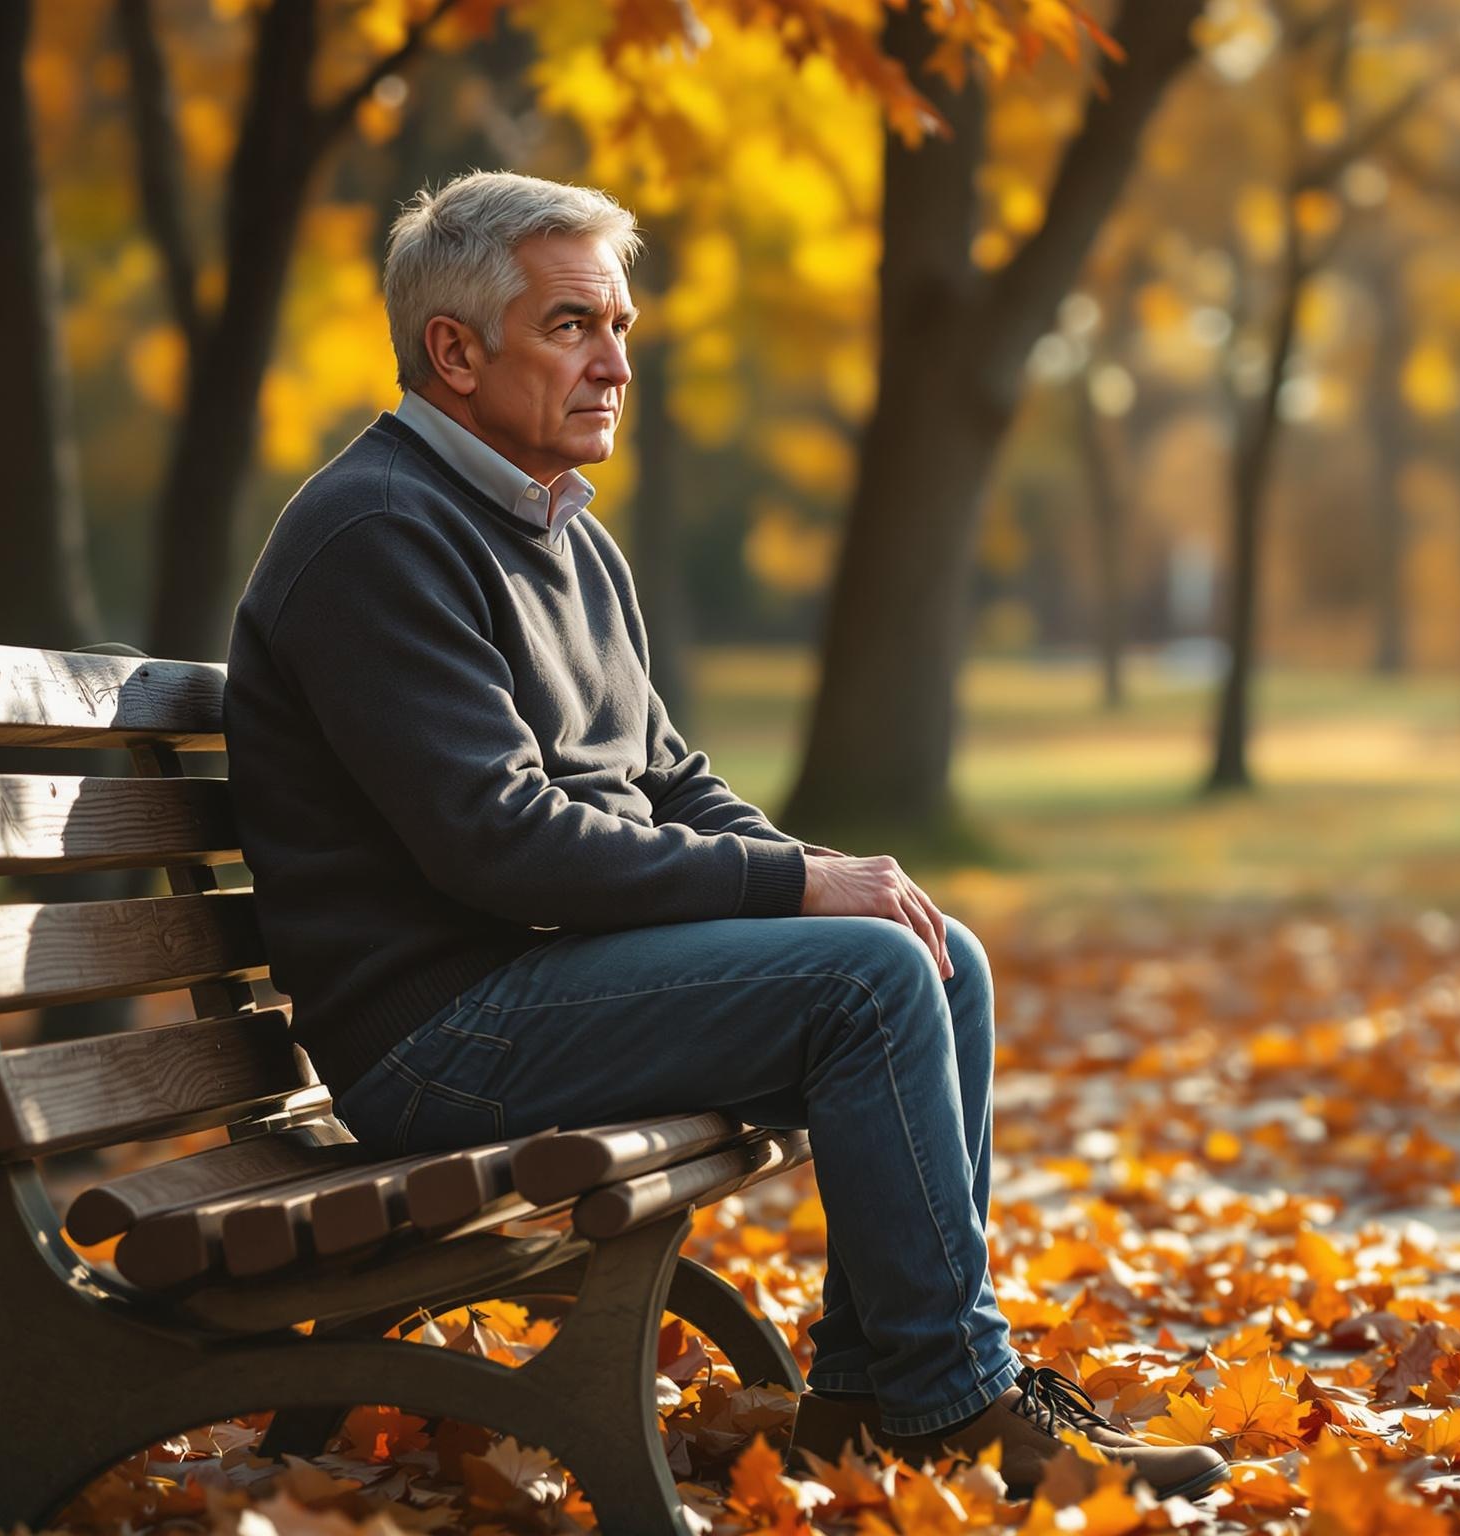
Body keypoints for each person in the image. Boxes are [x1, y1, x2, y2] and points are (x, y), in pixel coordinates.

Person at [221, 170, 1226, 1502]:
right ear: (452, 352)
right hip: (440, 1032)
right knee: (866, 982)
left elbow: (675, 785)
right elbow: (499, 844)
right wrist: (794, 884)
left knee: (931, 953)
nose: (615, 363)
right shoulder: (375, 532)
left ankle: (879, 1394)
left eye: (621, 327)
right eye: (573, 327)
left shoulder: (569, 540)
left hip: (530, 982)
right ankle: (958, 1401)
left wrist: (825, 879)